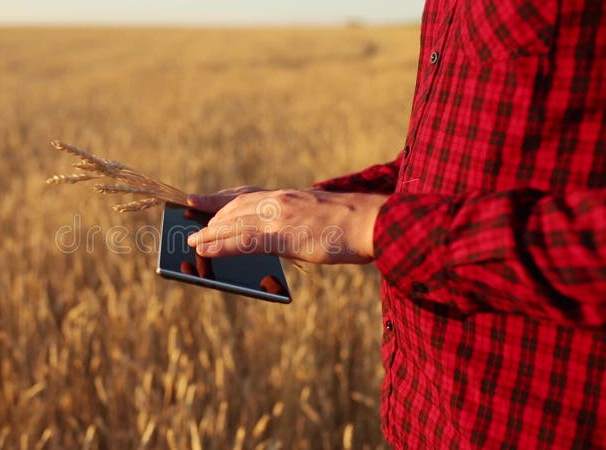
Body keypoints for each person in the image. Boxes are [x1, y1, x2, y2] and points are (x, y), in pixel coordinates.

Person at [186, 0, 606, 447]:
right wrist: (307, 206)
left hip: (542, 422)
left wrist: (376, 227)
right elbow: (461, 164)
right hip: (426, 417)